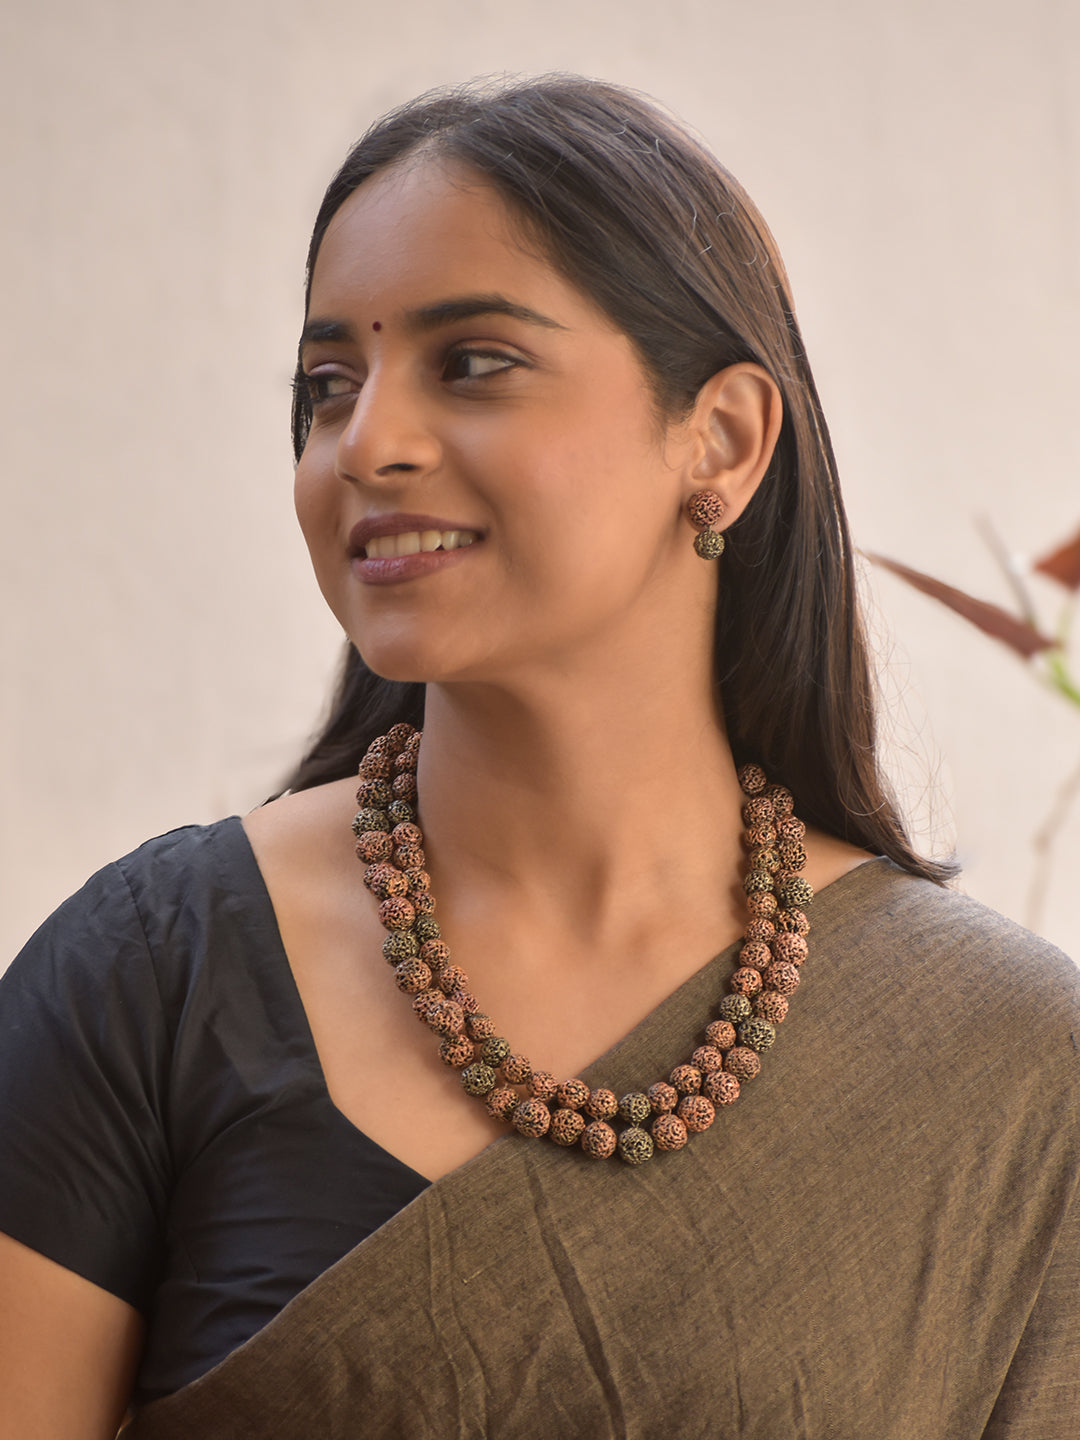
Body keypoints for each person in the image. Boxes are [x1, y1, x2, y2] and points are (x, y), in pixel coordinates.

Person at [0, 75, 1077, 1440]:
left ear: (724, 439)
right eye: (329, 385)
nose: (368, 443)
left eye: (474, 362)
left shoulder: (1007, 1068)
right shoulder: (155, 979)